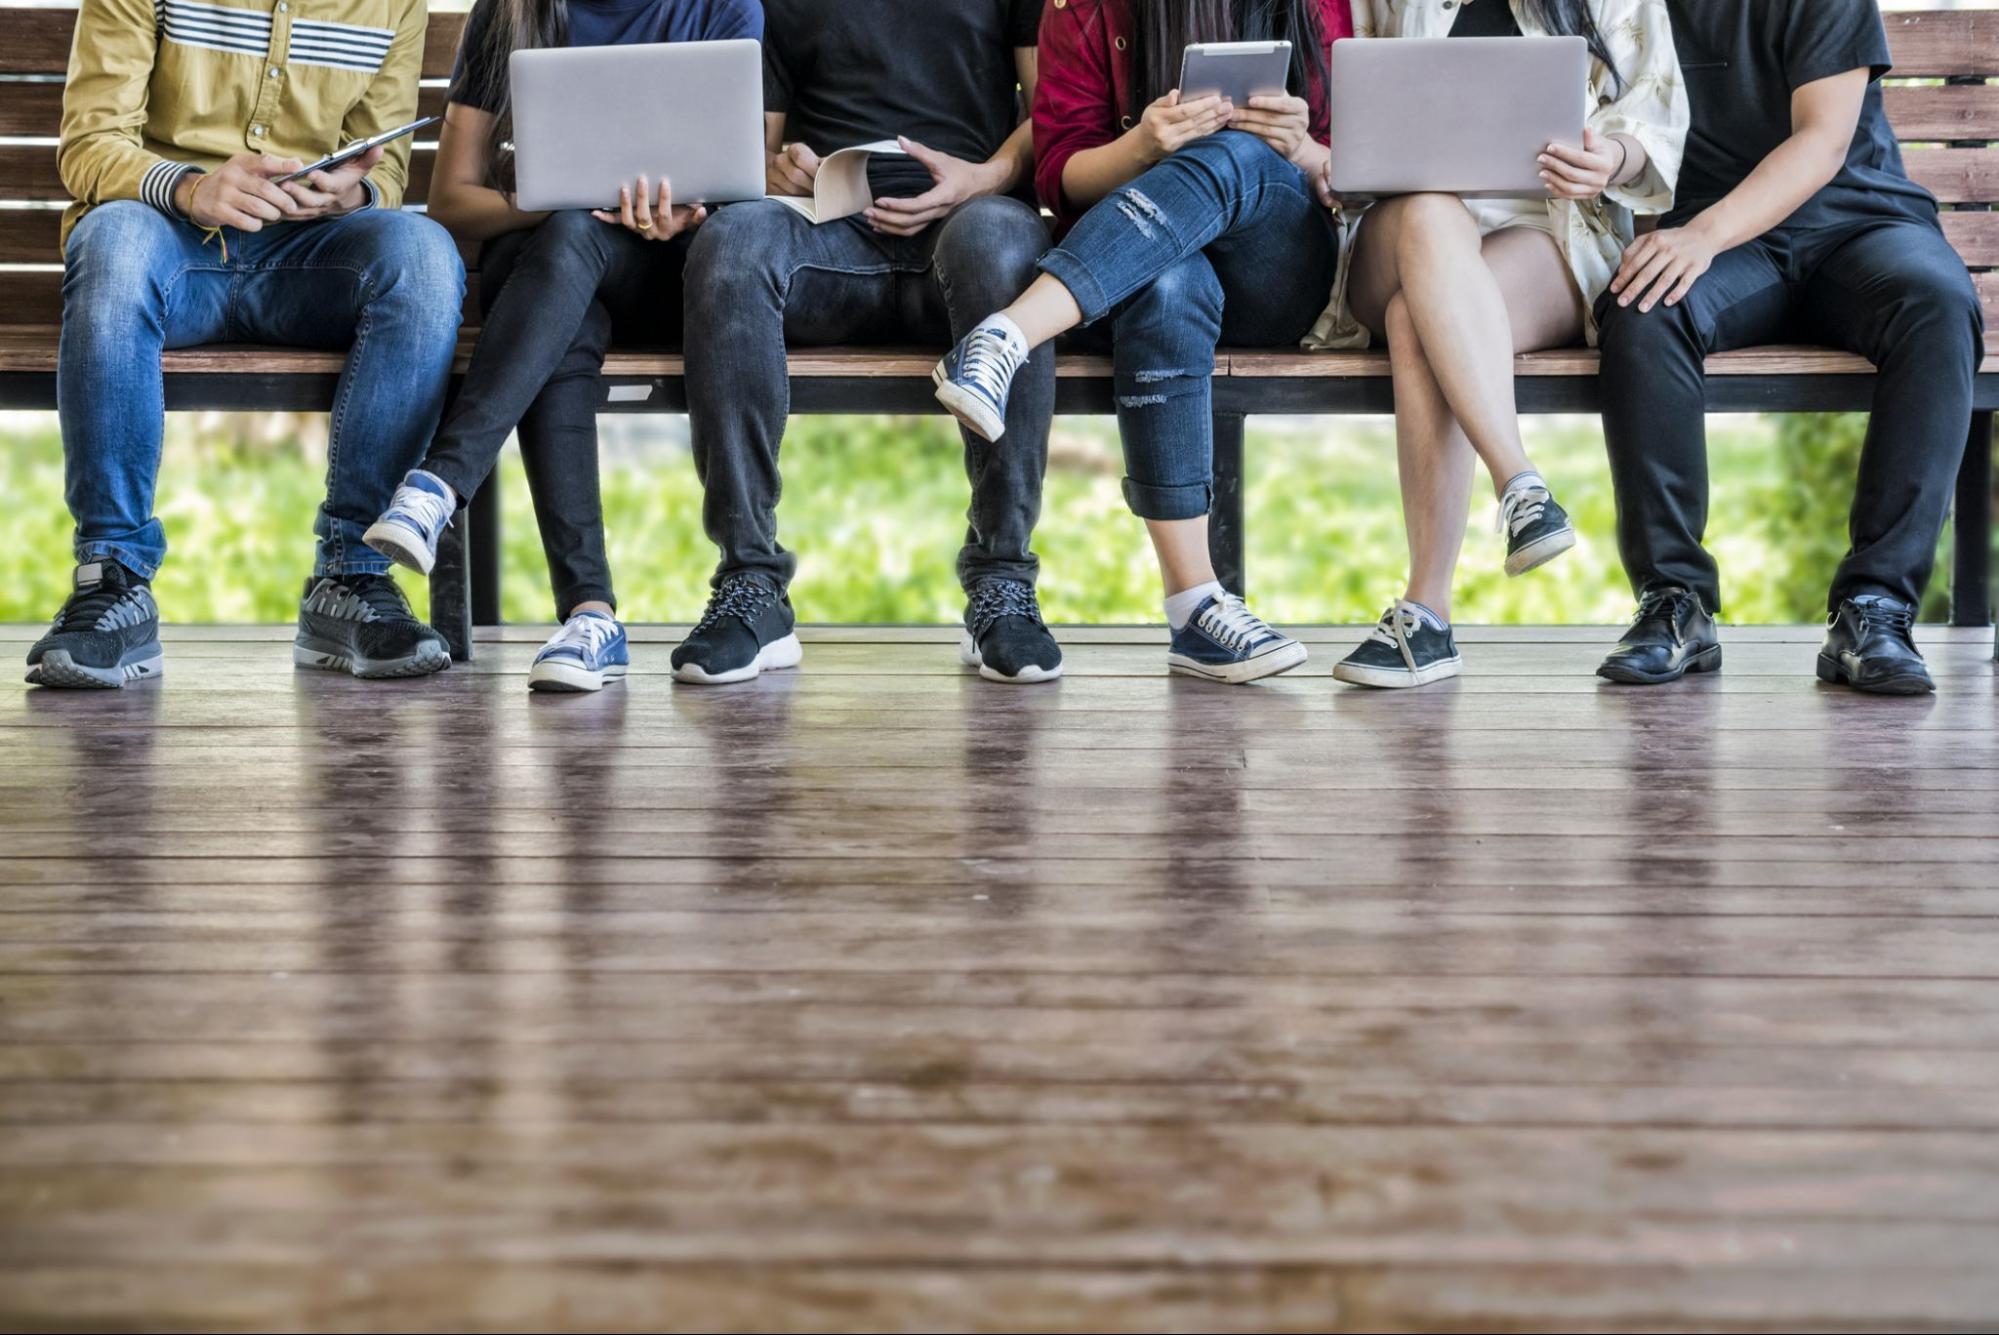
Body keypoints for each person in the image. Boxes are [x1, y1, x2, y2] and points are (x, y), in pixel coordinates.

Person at [28, 0, 466, 689]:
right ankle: (111, 578)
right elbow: (90, 142)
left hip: (308, 262)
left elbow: (384, 170)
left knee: (424, 255)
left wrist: (344, 197)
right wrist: (192, 187)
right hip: (166, 244)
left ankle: (352, 575)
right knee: (111, 239)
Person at [934, 0, 1351, 685]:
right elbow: (1058, 174)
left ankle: (1006, 334)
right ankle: (1194, 608)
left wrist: (1300, 147)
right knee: (1167, 284)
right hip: (1137, 262)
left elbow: (1360, 166)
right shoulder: (1085, 9)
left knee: (1234, 151)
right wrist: (1144, 146)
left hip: (1277, 272)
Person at [363, 0, 762, 694]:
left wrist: (688, 213)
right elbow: (453, 200)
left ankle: (440, 482)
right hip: (559, 283)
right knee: (564, 258)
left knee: (557, 253)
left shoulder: (723, 7)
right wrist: (557, 200)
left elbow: (744, 189)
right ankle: (589, 617)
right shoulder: (515, 10)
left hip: (681, 278)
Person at [1595, 0, 1983, 696]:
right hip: (1730, 249)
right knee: (1641, 306)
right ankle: (1673, 602)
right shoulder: (1628, 6)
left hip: (1859, 225)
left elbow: (1822, 141)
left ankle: (1874, 607)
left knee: (1936, 305)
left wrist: (1701, 235)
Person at [672, 0, 1062, 686]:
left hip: (968, 222)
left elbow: (1048, 115)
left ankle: (1003, 578)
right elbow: (756, 148)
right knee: (731, 241)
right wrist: (775, 170)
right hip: (830, 236)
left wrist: (982, 177)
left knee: (1003, 243)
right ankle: (750, 581)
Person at [1311, 0, 1687, 689]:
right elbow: (1348, 104)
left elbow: (1656, 115)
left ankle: (1425, 613)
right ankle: (1518, 480)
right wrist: (1337, 159)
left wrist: (1608, 158)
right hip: (1401, 227)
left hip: (1543, 232)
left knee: (1415, 321)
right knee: (1429, 217)